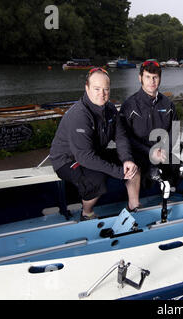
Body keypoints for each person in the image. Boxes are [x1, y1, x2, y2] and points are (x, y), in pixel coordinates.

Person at [50, 68, 138, 221]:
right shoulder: (79, 114)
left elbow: (121, 137)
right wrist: (118, 172)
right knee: (96, 179)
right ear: (87, 88)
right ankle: (87, 213)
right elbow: (84, 157)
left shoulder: (110, 109)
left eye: (106, 89)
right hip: (68, 160)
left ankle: (134, 206)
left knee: (133, 165)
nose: (102, 93)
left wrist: (127, 160)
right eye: (97, 89)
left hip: (93, 152)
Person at [119, 60, 178, 211]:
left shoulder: (169, 105)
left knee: (180, 164)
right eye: (147, 77)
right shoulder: (129, 105)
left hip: (162, 152)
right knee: (133, 170)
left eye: (155, 77)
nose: (152, 81)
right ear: (140, 78)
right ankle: (134, 205)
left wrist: (165, 149)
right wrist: (150, 152)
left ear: (160, 78)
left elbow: (175, 131)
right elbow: (125, 136)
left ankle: (169, 200)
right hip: (139, 153)